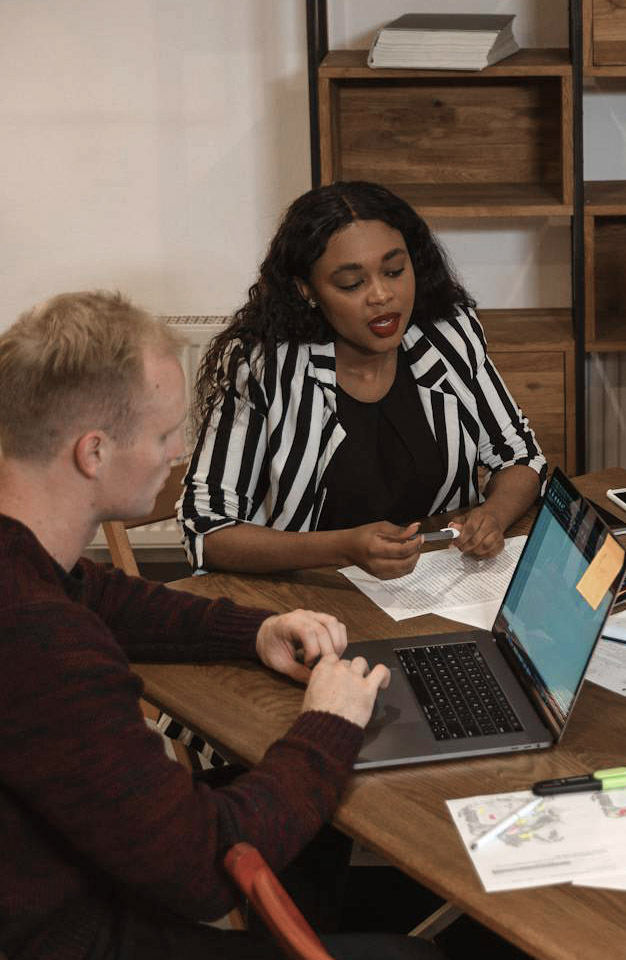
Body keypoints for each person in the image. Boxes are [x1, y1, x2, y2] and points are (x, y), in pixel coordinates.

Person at [0, 291, 440, 959]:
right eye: (163, 434)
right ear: (93, 452)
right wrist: (329, 723)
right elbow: (202, 867)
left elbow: (101, 595)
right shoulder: (41, 644)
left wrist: (254, 632)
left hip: (65, 874)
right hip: (74, 935)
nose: (179, 451)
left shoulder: (26, 565)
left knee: (303, 819)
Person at [181, 180, 544, 579]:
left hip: (435, 587)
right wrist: (343, 548)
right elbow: (206, 530)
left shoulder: (447, 335)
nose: (381, 295)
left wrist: (492, 515)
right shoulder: (266, 365)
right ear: (307, 290)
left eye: (394, 270)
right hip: (310, 596)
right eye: (352, 283)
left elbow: (520, 456)